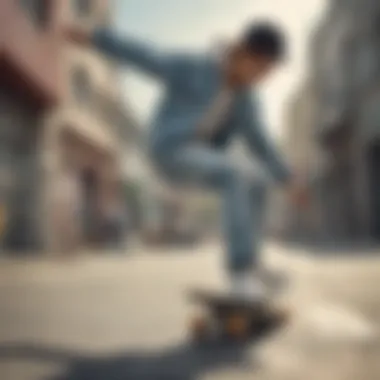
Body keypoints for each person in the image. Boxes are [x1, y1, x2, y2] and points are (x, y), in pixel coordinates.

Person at [65, 21, 308, 300]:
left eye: (269, 72)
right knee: (237, 172)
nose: (263, 78)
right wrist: (96, 37)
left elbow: (262, 145)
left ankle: (252, 265)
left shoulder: (247, 100)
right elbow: (148, 56)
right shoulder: (194, 68)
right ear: (243, 53)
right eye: (262, 68)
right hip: (168, 150)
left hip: (204, 159)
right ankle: (240, 274)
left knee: (258, 178)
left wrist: (289, 180)